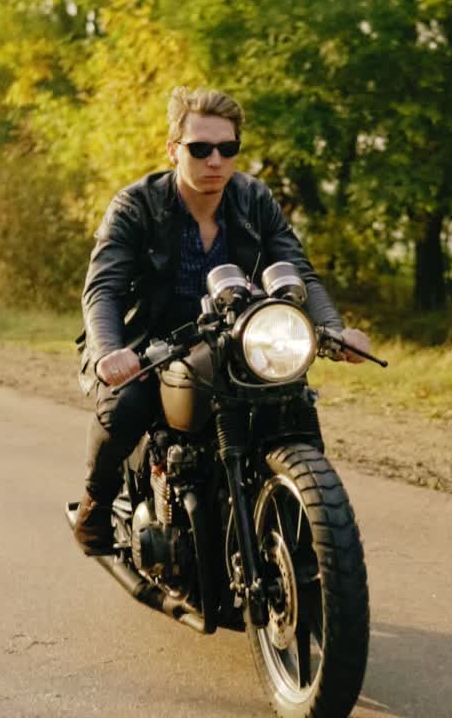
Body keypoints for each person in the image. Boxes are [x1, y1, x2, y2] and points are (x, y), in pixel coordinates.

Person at [71, 86, 371, 555]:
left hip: (236, 337)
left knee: (292, 402)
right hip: (151, 342)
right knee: (124, 408)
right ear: (173, 149)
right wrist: (110, 350)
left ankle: (304, 532)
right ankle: (96, 504)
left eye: (227, 149)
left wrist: (333, 328)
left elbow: (299, 271)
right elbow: (103, 289)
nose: (215, 160)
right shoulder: (136, 205)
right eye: (200, 149)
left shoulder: (254, 199)